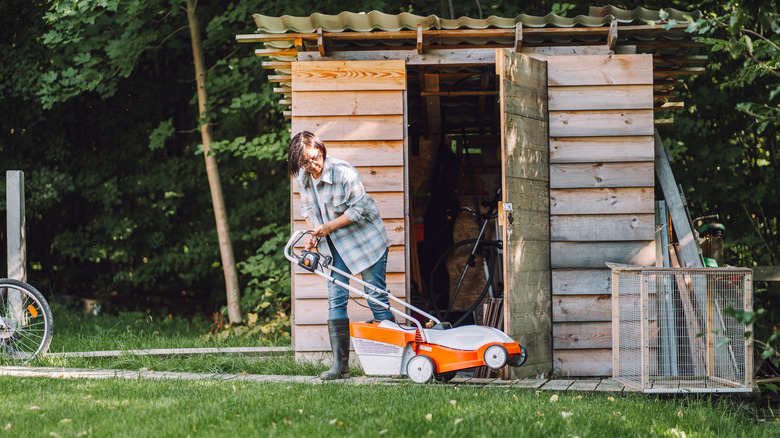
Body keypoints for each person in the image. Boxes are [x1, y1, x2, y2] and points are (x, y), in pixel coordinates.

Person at [288, 131, 394, 380]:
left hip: (365, 239)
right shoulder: (302, 176)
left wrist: (328, 227)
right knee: (336, 300)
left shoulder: (344, 172)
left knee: (375, 296)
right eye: (305, 162)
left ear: (321, 151)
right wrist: (313, 233)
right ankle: (340, 366)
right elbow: (307, 207)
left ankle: (392, 364)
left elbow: (359, 209)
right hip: (332, 243)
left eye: (315, 158)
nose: (312, 165)